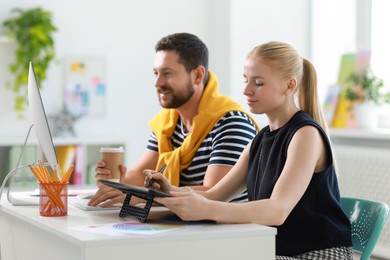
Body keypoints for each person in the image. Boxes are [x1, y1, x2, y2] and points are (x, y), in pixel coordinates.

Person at [145, 41, 353, 259]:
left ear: (289, 86)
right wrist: (170, 191)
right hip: (275, 249)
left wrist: (208, 210)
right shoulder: (260, 139)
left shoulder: (305, 134)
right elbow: (216, 194)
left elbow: (277, 210)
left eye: (258, 83)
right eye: (246, 80)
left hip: (318, 253)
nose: (246, 90)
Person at [88, 32, 259, 207]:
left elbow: (213, 194)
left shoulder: (232, 123)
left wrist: (148, 196)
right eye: (156, 73)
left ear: (198, 76)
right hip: (181, 226)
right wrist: (116, 182)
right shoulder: (167, 124)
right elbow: (140, 174)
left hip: (224, 231)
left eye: (167, 73)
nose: (157, 82)